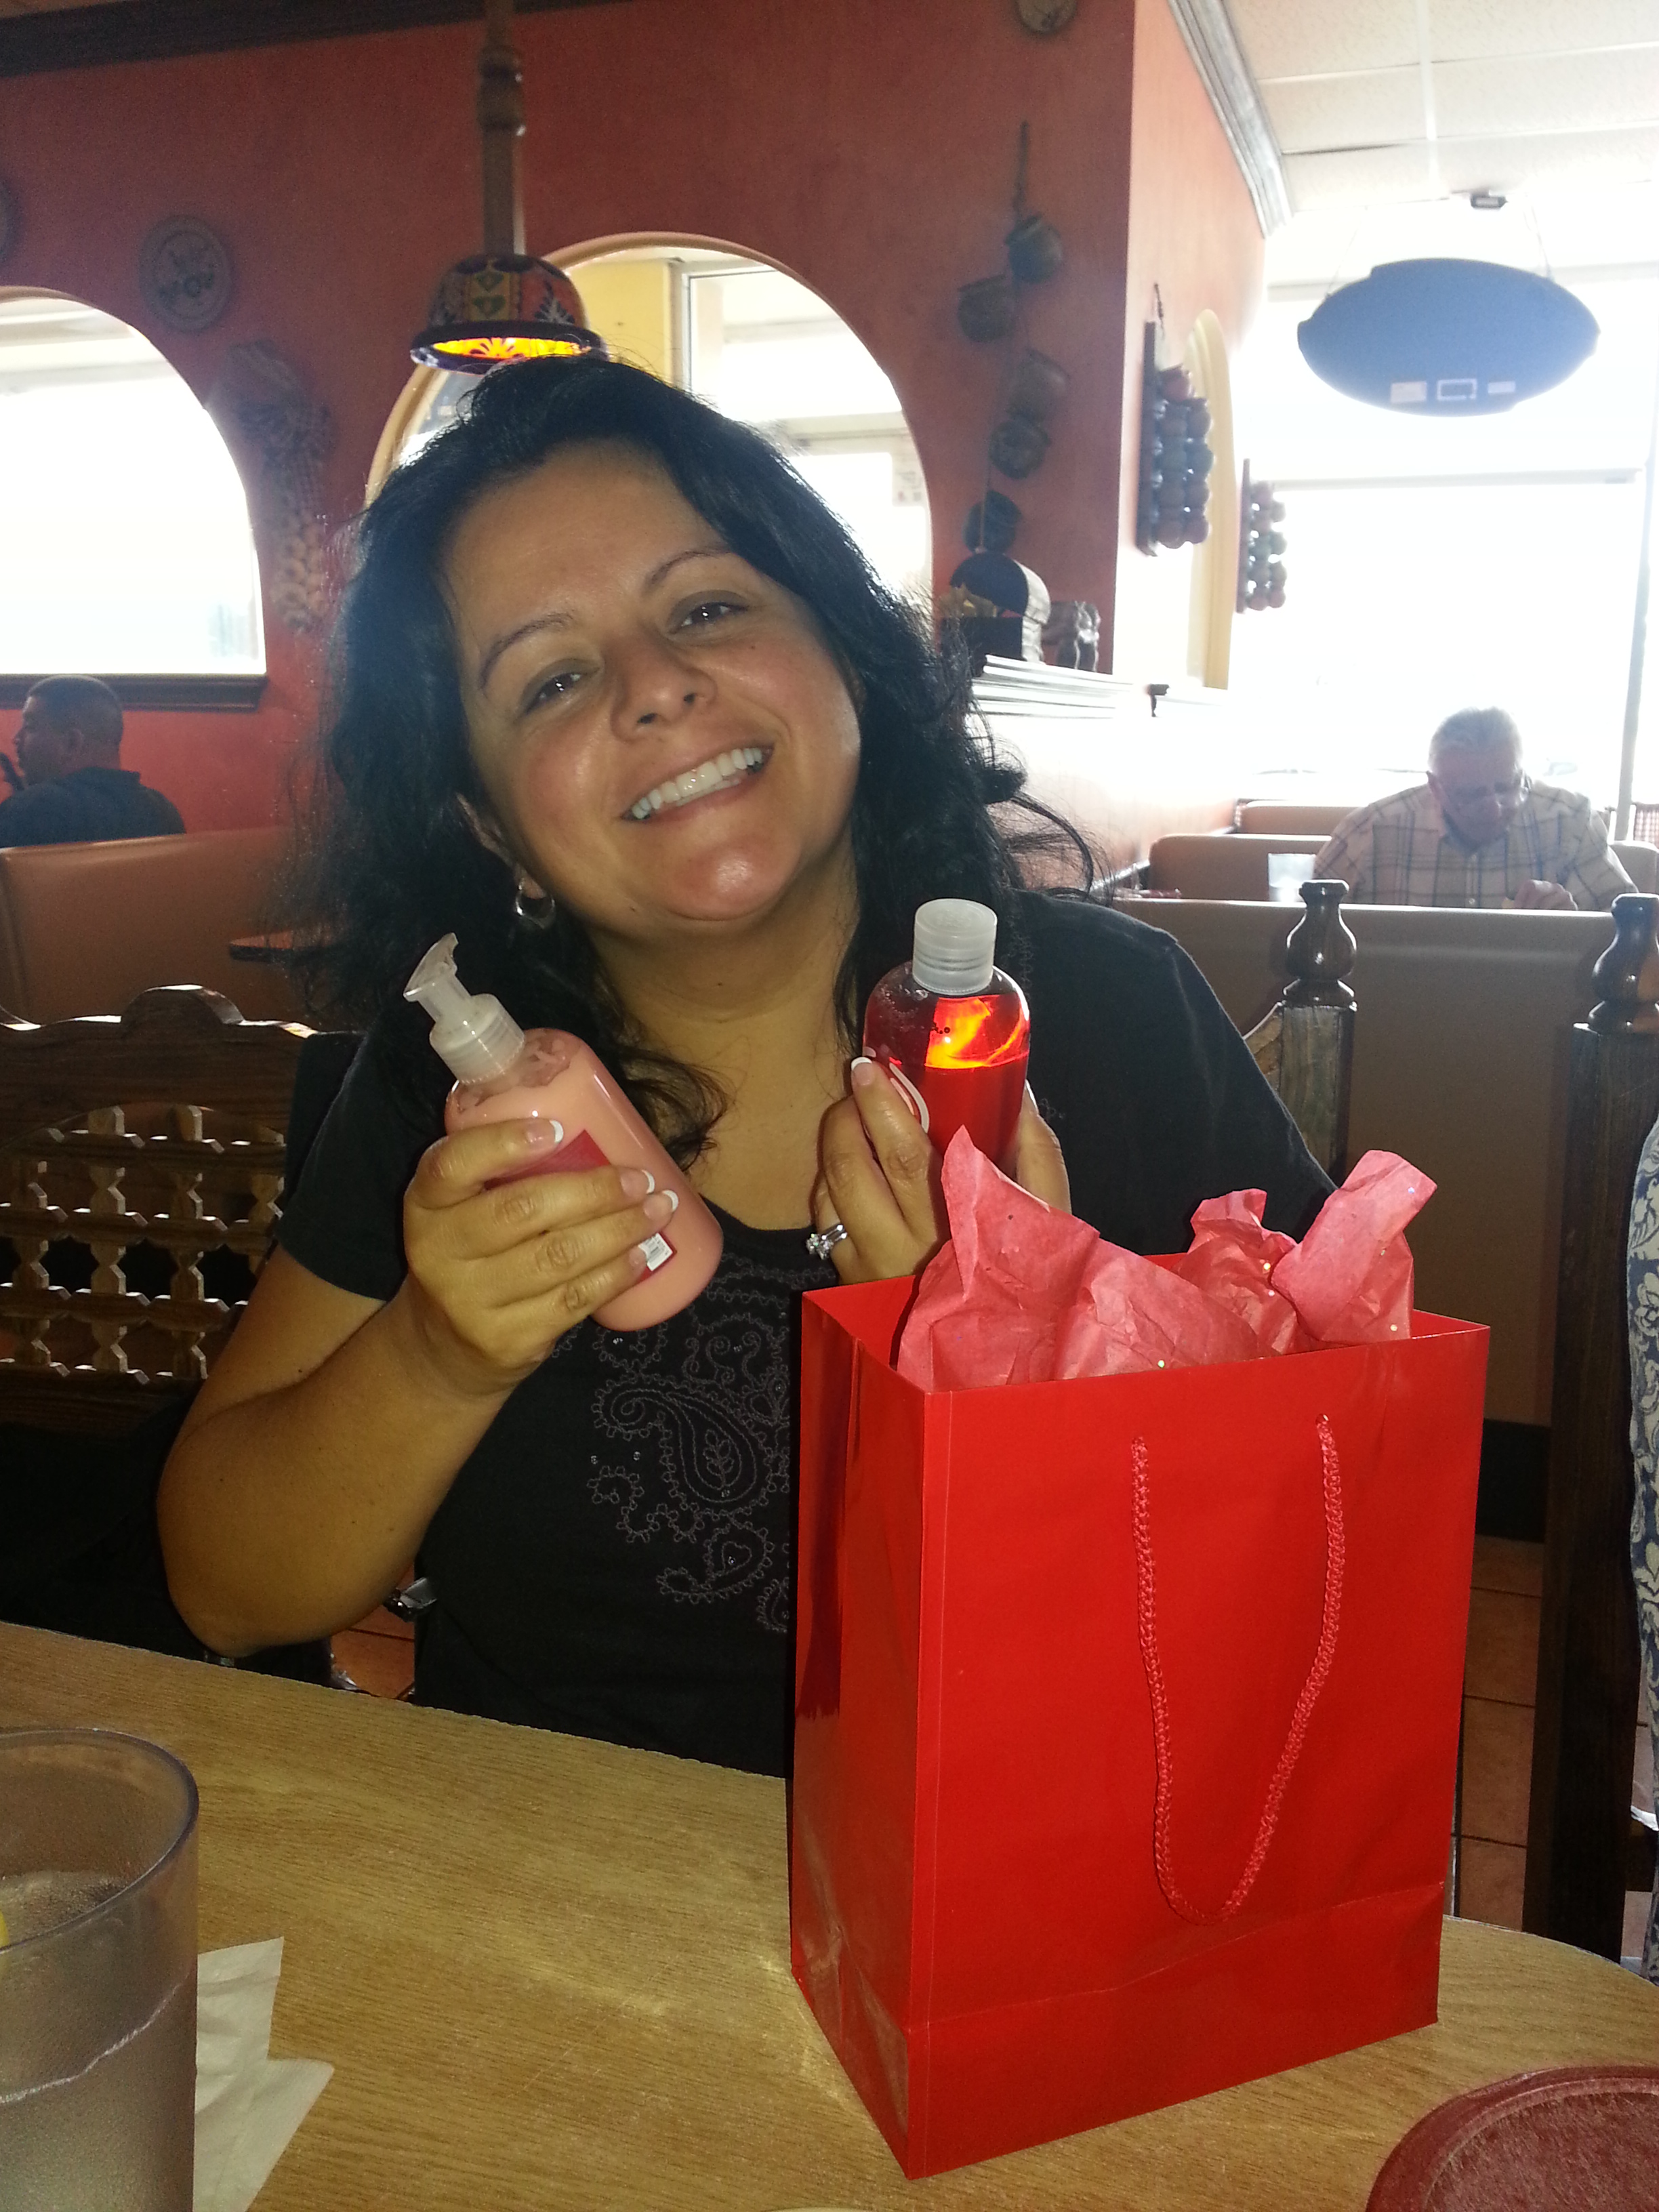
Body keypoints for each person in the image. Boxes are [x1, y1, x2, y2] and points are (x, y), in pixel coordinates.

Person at [157, 358, 1330, 1774]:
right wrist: (438, 1353)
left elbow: (1331, 1541)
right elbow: (228, 1591)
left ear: (843, 654)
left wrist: (1017, 1342)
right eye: (553, 678)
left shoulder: (1108, 1014)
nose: (655, 687)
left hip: (1031, 1852)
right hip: (564, 1877)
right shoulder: (465, 1095)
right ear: (491, 828)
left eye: (707, 607)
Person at [1312, 708, 1633, 910]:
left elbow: (1635, 935)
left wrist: (1575, 926)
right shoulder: (1371, 832)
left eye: (1507, 787)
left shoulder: (1571, 822)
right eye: (1470, 795)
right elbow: (1299, 931)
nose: (1493, 809)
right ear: (1434, 787)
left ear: (1523, 773)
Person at [0, 677, 185, 846]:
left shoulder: (29, 811)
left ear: (72, 743)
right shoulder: (164, 812)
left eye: (30, 727)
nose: (17, 738)